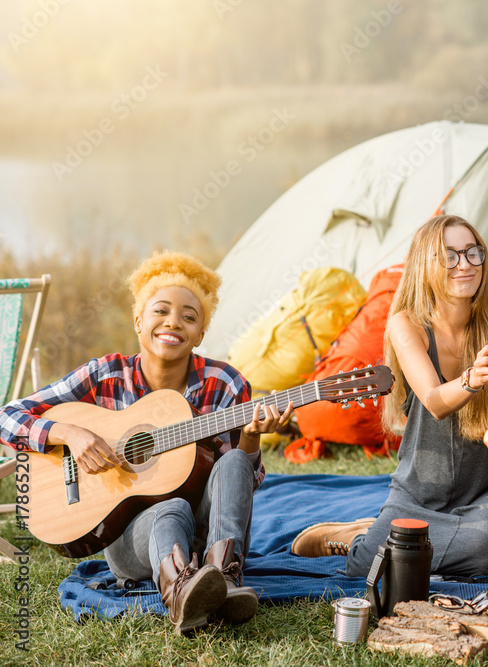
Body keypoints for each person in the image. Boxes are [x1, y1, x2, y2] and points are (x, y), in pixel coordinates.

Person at [0, 252, 291, 634]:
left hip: (206, 533)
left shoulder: (226, 383)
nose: (173, 322)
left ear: (201, 334)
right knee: (168, 506)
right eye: (161, 311)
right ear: (139, 320)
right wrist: (70, 433)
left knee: (235, 459)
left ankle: (225, 579)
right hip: (131, 540)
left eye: (189, 316)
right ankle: (182, 592)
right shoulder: (104, 374)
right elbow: (8, 416)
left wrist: (251, 438)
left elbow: (240, 483)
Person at [291, 215, 488, 578]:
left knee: (487, 552)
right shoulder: (407, 324)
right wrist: (473, 378)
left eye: (473, 253)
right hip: (418, 493)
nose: (465, 265)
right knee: (366, 566)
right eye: (450, 256)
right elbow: (434, 400)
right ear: (424, 266)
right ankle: (355, 538)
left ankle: (403, 542)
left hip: (485, 493)